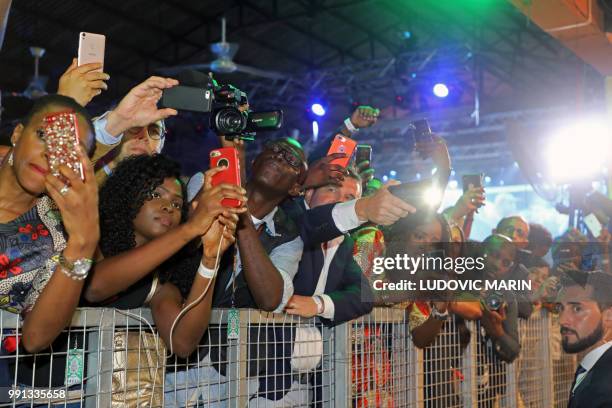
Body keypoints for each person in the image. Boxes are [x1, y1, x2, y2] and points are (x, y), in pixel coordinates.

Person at [86, 154, 244, 358]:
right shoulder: (90, 241)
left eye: (178, 204)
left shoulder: (157, 284)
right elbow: (94, 287)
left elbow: (183, 343)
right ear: (127, 196)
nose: (168, 207)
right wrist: (191, 228)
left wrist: (211, 259)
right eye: (155, 195)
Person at [0, 95, 99, 398]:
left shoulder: (56, 235)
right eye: (43, 135)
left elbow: (35, 339)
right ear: (17, 134)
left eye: (67, 150)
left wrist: (83, 243)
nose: (49, 154)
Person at [476, 234, 521, 408]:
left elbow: (513, 350)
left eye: (505, 262)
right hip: (451, 378)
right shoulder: (458, 282)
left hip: (488, 385)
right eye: (494, 255)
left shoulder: (507, 296)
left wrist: (498, 332)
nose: (497, 264)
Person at [557, 270, 612, 408]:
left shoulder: (605, 382)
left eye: (577, 309)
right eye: (560, 308)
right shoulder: (594, 366)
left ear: (608, 317)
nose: (563, 320)